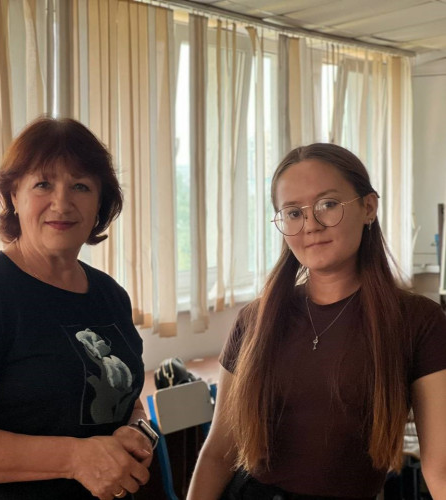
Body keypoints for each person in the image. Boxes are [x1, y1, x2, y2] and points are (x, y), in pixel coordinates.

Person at [187, 143, 446, 500]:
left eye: (328, 204)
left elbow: (440, 469)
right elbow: (218, 453)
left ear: (368, 207)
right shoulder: (256, 320)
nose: (311, 225)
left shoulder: (419, 322)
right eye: (293, 212)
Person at [0, 117, 157, 500]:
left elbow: (126, 397)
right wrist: (74, 458)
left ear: (99, 203)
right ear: (13, 195)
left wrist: (137, 431)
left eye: (80, 186)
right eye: (43, 184)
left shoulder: (110, 295)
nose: (62, 203)